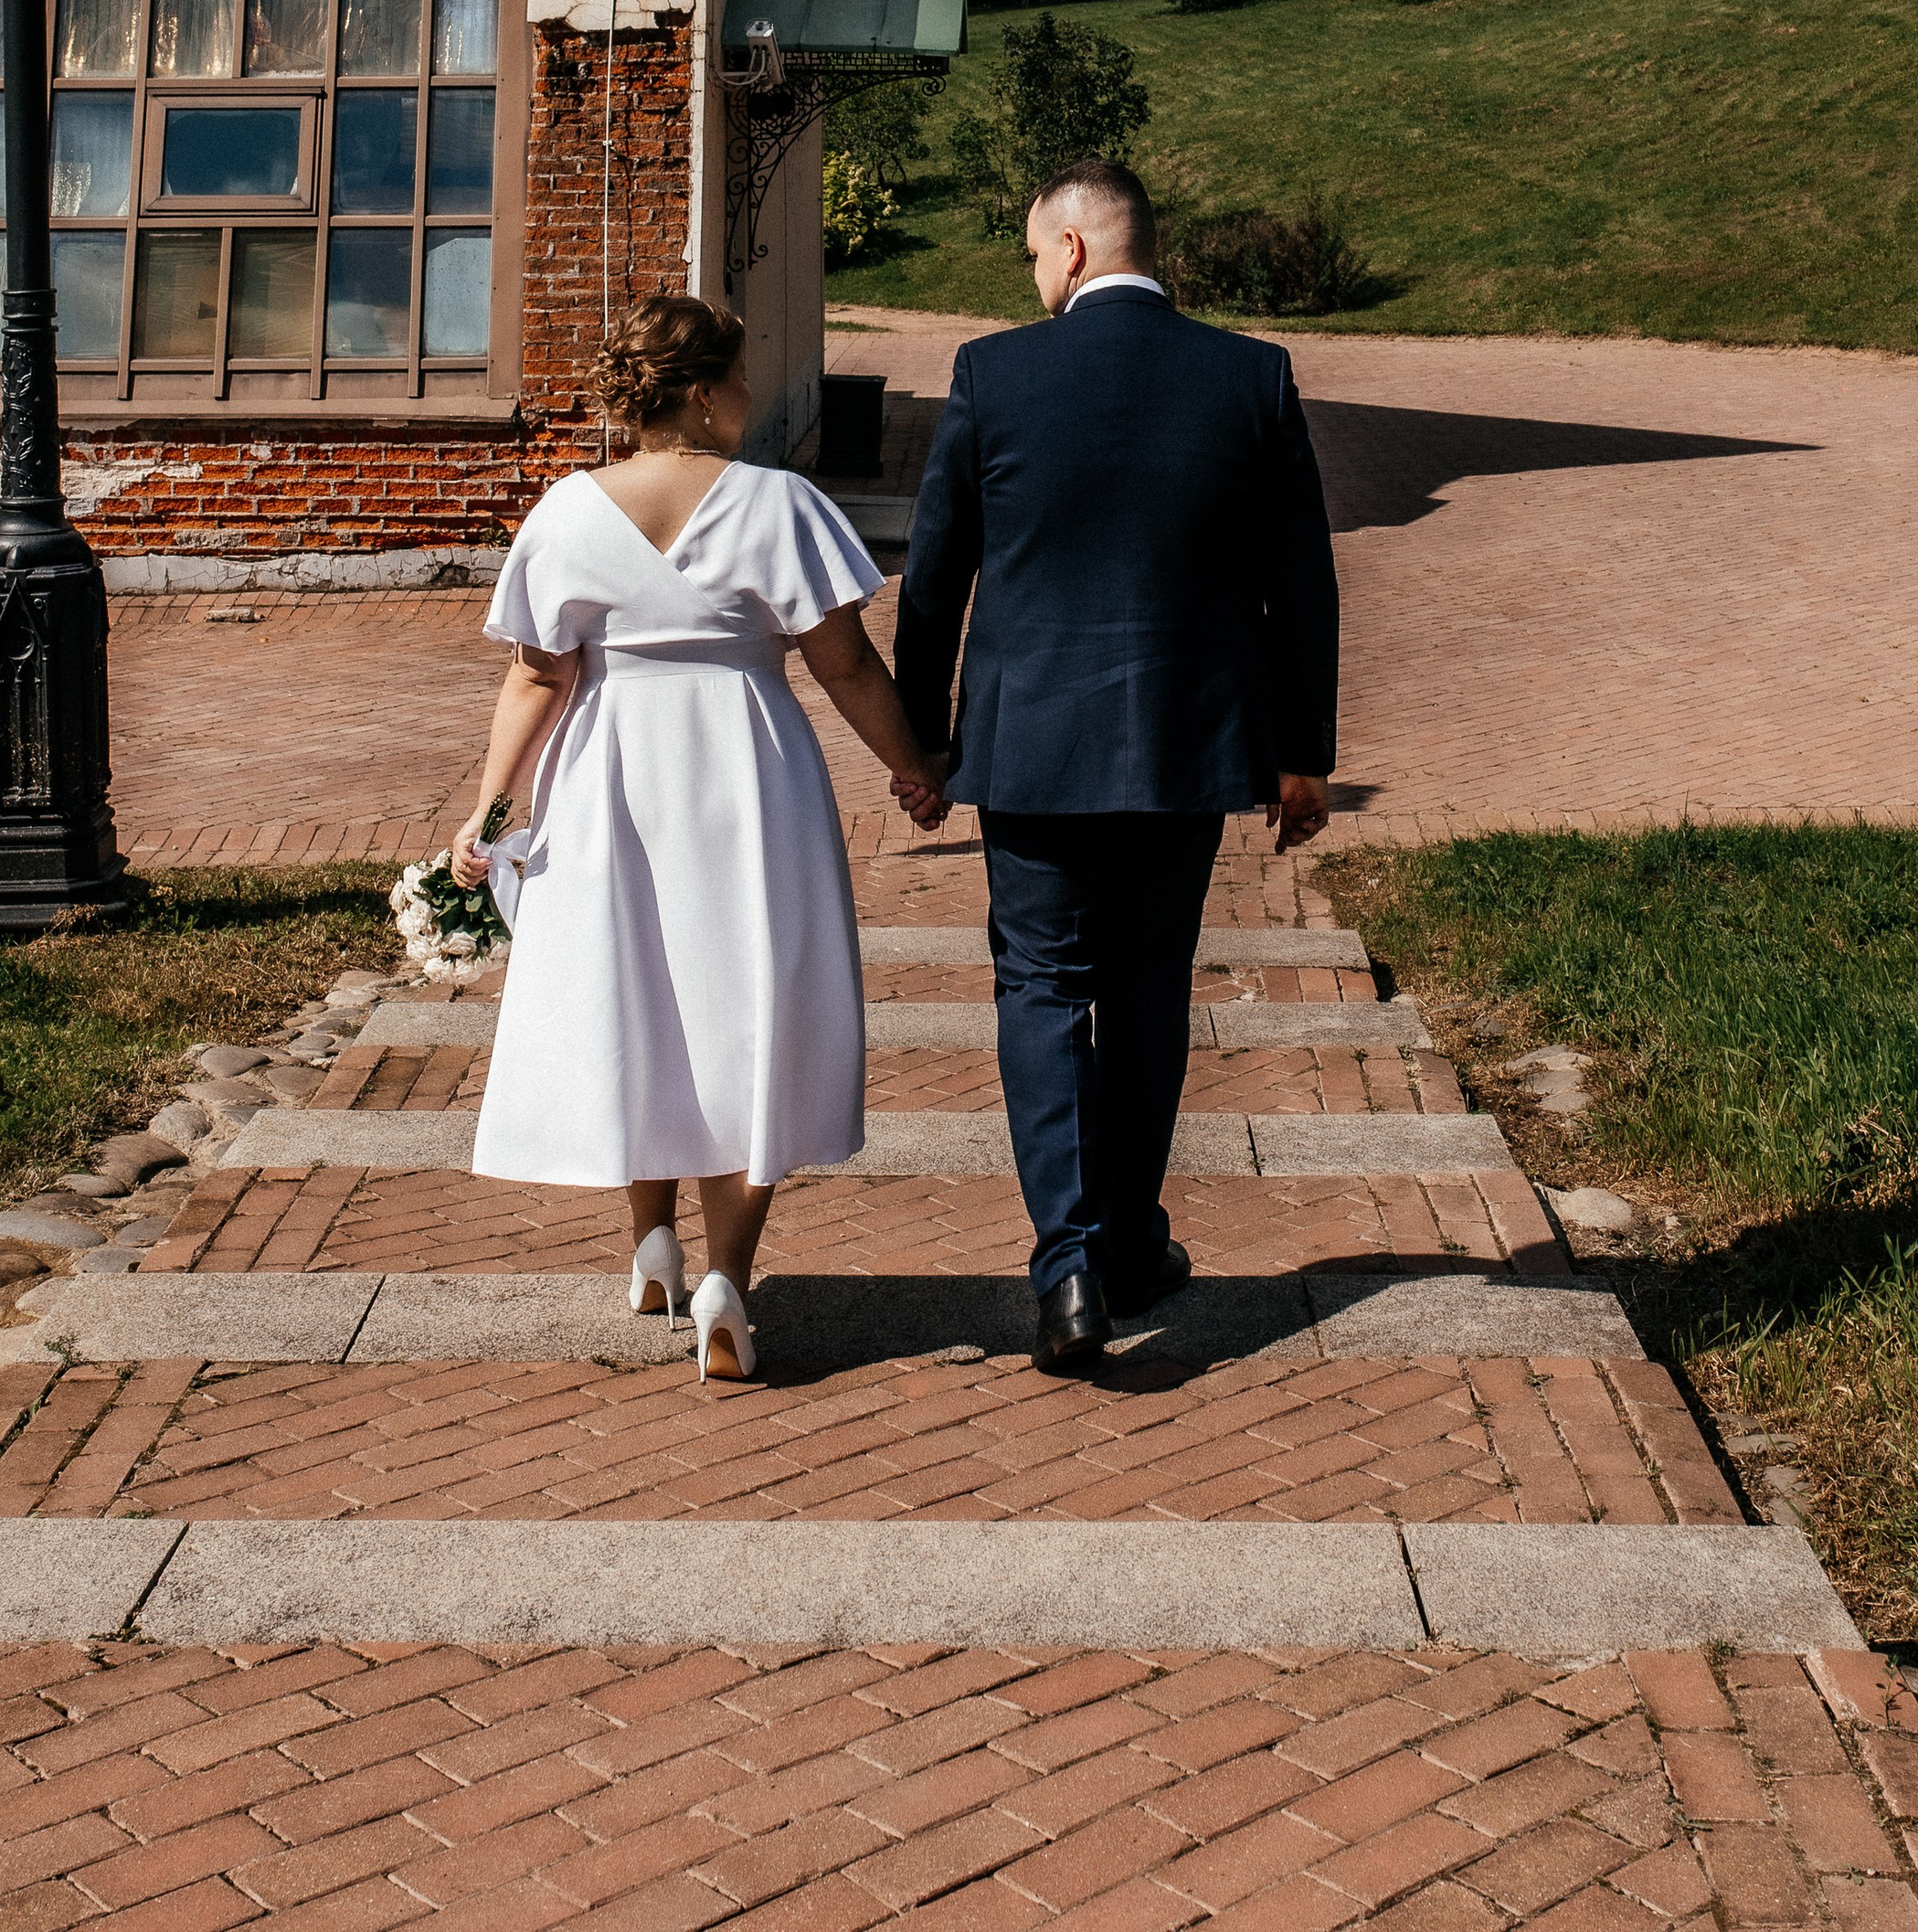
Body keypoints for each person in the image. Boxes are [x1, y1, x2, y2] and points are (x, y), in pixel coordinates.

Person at [893, 156, 1339, 1375]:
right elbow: (1299, 580)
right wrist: (1302, 756)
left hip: (1031, 746)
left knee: (1041, 986)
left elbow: (936, 579)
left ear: (1075, 247)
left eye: (1036, 253)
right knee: (1147, 986)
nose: (1033, 277)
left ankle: (1071, 1266)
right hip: (1185, 744)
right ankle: (1130, 1238)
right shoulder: (1251, 375)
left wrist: (923, 743)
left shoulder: (993, 374)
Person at [449, 291, 944, 1384]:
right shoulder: (779, 503)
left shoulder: (567, 512)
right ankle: (727, 1277)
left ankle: (651, 1246)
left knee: (637, 996)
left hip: (609, 773)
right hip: (747, 774)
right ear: (711, 391)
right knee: (750, 1007)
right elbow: (845, 664)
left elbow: (537, 676)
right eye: (741, 378)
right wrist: (912, 765)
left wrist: (486, 808)